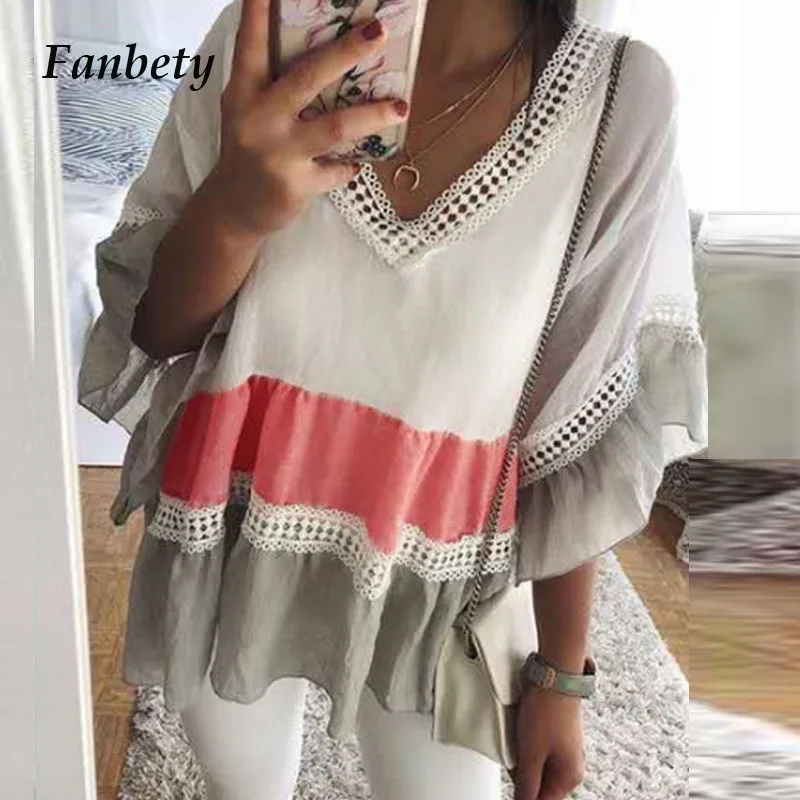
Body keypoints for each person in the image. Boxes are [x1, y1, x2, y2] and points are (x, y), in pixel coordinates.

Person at [78, 0, 707, 798]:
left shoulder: (619, 99)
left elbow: (574, 430)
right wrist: (235, 210)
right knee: (243, 785)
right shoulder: (263, 35)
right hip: (229, 532)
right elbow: (157, 329)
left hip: (440, 580)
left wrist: (560, 674)